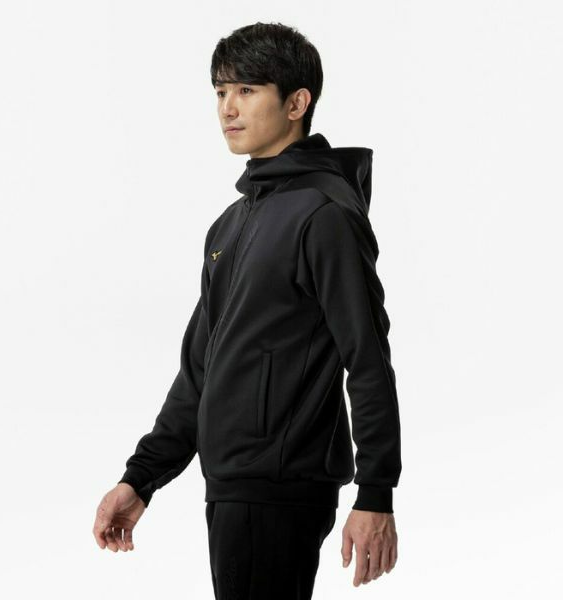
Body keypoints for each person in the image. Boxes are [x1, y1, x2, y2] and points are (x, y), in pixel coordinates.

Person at [93, 21, 402, 599]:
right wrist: (141, 478)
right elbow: (200, 369)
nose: (228, 108)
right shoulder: (230, 225)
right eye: (220, 91)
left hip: (281, 485)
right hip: (234, 485)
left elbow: (367, 357)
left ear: (297, 103)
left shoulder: (324, 215)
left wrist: (376, 492)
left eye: (247, 90)